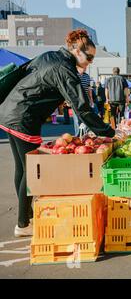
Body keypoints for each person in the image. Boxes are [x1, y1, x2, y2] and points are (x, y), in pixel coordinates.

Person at [0, 29, 116, 237]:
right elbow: (82, 108)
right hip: (24, 118)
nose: (90, 62)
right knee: (32, 170)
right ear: (76, 51)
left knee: (22, 167)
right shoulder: (66, 69)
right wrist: (108, 132)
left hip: (9, 111)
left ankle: (27, 217)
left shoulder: (50, 56)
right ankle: (23, 223)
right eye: (89, 57)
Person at [73, 70, 92, 136]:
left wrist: (91, 100)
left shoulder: (87, 76)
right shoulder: (74, 74)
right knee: (77, 120)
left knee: (86, 118)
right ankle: (77, 136)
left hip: (85, 100)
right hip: (75, 100)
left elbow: (89, 88)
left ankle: (84, 135)